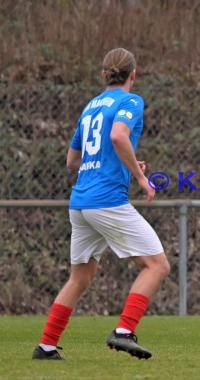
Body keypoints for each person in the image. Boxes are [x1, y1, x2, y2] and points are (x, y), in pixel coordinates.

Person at [32, 48, 170, 360]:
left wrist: (121, 165)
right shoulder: (130, 101)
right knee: (157, 265)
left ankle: (47, 346)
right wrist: (139, 177)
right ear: (133, 75)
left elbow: (72, 161)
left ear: (103, 75)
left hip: (80, 202)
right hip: (106, 200)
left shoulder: (91, 107)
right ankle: (124, 331)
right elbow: (119, 136)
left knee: (80, 277)